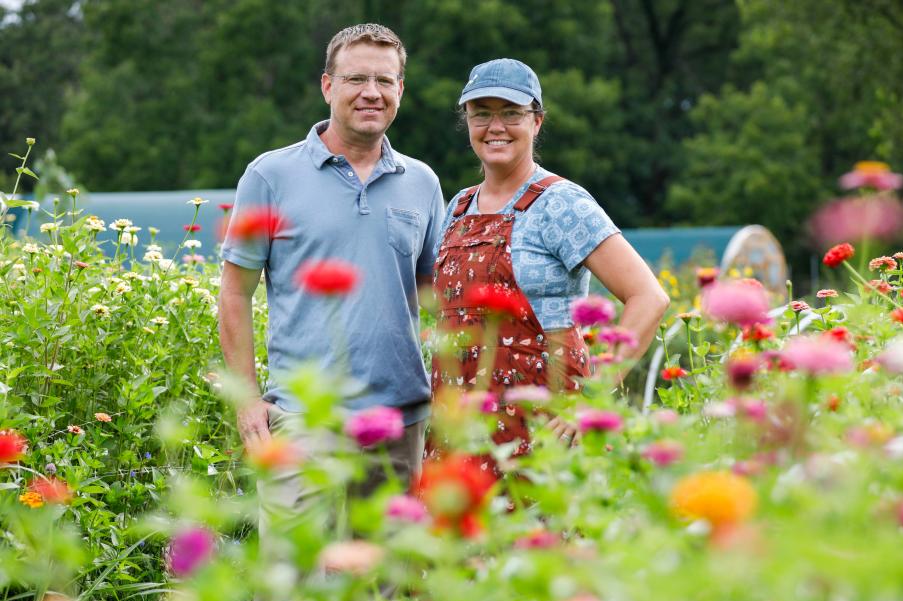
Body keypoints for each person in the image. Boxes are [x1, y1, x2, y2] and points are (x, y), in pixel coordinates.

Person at [218, 24, 444, 526]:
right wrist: (247, 399)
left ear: (400, 91)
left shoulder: (423, 183)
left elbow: (435, 299)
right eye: (356, 78)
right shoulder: (270, 176)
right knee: (292, 585)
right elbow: (234, 292)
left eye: (385, 81)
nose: (371, 93)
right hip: (303, 419)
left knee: (383, 591)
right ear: (327, 86)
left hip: (398, 420)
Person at [430, 58, 669, 458]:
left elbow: (649, 297)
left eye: (511, 114)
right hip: (459, 431)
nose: (496, 127)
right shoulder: (458, 207)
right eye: (482, 114)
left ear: (537, 121)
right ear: (467, 121)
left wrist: (592, 399)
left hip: (544, 433)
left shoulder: (560, 203)